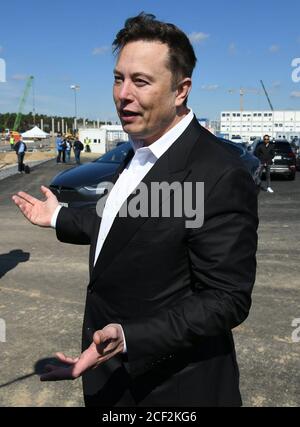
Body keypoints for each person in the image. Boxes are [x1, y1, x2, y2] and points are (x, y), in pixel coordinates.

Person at [12, 13, 258, 407]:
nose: (122, 94)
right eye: (117, 78)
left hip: (172, 390)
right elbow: (122, 219)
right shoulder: (139, 150)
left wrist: (130, 336)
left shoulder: (217, 173)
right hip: (113, 381)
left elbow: (226, 298)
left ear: (181, 90)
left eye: (140, 81)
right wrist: (57, 216)